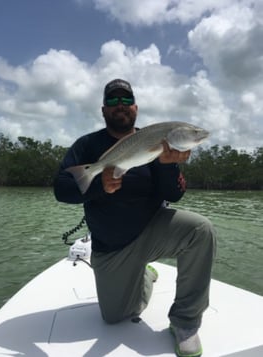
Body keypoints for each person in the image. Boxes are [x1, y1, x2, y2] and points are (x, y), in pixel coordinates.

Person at [54, 78, 216, 357]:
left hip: (152, 231)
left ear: (136, 108)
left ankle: (186, 323)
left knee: (200, 230)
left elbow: (174, 195)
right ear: (104, 110)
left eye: (126, 101)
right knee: (115, 317)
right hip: (112, 246)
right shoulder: (87, 145)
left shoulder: (158, 142)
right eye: (114, 101)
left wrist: (168, 166)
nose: (121, 106)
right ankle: (144, 276)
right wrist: (98, 185)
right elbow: (61, 189)